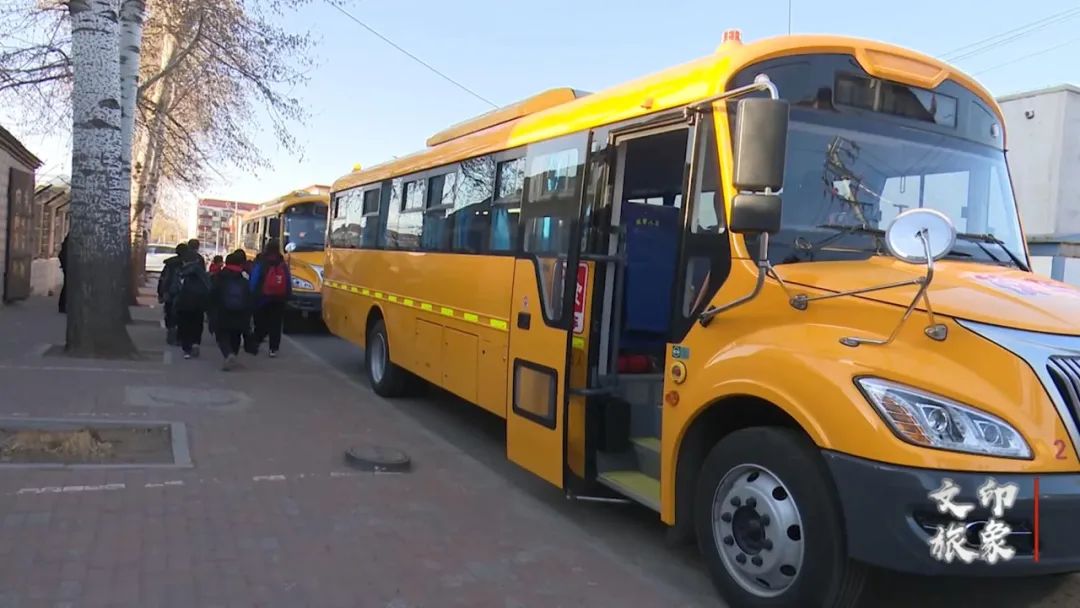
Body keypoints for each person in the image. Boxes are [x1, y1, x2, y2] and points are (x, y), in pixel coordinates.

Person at [247, 239, 291, 358]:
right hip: (279, 298)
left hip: (263, 298)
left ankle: (255, 342)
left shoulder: (261, 261)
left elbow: (255, 278)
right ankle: (273, 349)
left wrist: (252, 294)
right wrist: (287, 295)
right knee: (276, 324)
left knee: (261, 322)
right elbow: (287, 280)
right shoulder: (282, 262)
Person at [210, 250, 253, 371]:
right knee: (236, 335)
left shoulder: (219, 277)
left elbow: (212, 295)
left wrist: (211, 313)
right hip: (240, 313)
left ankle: (229, 355)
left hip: (223, 312)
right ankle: (233, 355)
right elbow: (249, 298)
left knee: (222, 335)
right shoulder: (244, 279)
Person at [174, 243, 211, 359]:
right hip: (199, 303)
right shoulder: (201, 272)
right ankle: (196, 343)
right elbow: (208, 286)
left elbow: (174, 287)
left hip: (184, 302)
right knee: (197, 324)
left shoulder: (180, 271)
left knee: (184, 325)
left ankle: (187, 349)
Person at [157, 243, 188, 345]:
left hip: (170, 292)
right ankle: (179, 336)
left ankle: (171, 331)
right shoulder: (189, 264)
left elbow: (163, 279)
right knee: (182, 315)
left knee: (170, 313)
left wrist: (161, 293)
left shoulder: (169, 264)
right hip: (184, 294)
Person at [57, 234, 69, 314]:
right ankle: (62, 306)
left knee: (67, 285)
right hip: (68, 266)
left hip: (68, 265)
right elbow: (62, 254)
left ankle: (63, 306)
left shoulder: (69, 239)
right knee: (67, 286)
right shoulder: (70, 240)